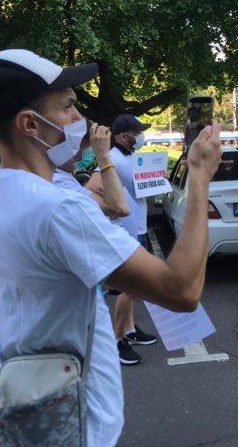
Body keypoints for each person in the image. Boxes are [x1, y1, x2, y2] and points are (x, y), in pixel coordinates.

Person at [0, 49, 222, 445]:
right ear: (30, 124)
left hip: (24, 414)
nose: (80, 120)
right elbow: (181, 290)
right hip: (76, 427)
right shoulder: (58, 208)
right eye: (68, 107)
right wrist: (200, 176)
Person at [88, 114, 160, 365]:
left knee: (135, 288)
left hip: (138, 229)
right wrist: (111, 209)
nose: (140, 137)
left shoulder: (130, 158)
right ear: (122, 137)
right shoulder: (114, 159)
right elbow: (93, 187)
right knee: (129, 288)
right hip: (124, 232)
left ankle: (129, 329)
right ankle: (118, 341)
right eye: (136, 133)